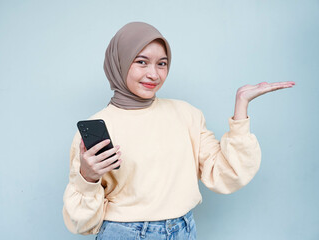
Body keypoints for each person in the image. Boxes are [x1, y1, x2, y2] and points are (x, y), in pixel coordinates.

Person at [62, 22, 295, 239]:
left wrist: (241, 106)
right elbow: (81, 223)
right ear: (120, 62)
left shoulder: (187, 114)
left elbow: (226, 173)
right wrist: (87, 177)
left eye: (161, 63)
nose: (154, 74)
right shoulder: (98, 126)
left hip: (183, 230)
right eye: (141, 62)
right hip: (123, 232)